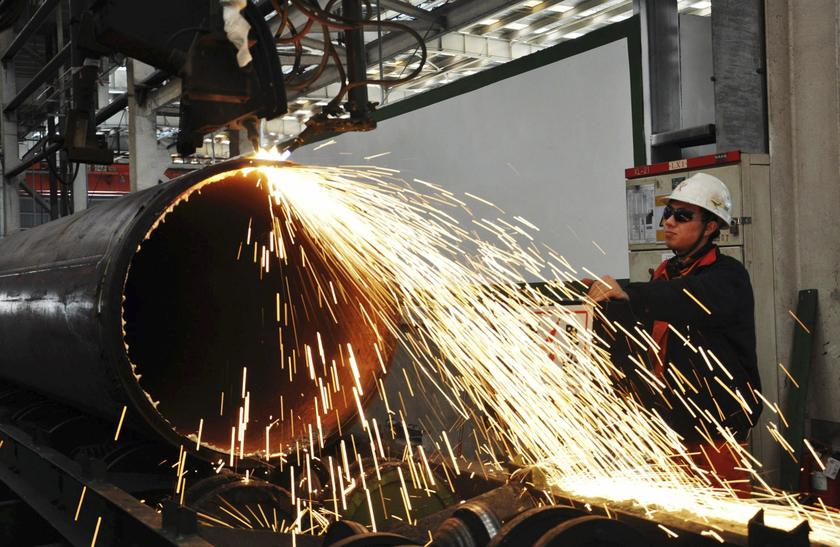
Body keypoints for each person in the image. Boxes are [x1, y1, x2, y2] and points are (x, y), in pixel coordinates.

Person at [584, 173, 762, 495]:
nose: (669, 222)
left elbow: (685, 299)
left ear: (710, 227)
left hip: (715, 432)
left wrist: (628, 293)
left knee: (722, 527)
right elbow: (646, 332)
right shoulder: (666, 276)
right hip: (669, 426)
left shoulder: (727, 278)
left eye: (682, 216)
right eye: (668, 213)